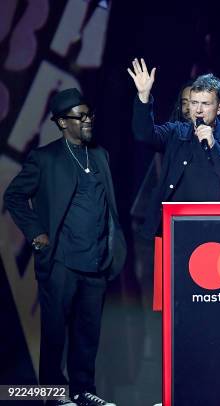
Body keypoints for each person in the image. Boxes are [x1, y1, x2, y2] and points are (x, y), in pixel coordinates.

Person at [4, 88, 126, 406]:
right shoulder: (45, 159)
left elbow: (108, 205)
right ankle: (54, 395)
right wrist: (37, 233)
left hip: (96, 261)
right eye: (79, 116)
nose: (87, 121)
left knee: (88, 333)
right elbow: (13, 196)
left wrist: (111, 246)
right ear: (61, 122)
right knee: (56, 333)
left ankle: (84, 391)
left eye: (89, 114)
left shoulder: (100, 155)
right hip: (61, 260)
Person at [127, 58, 220, 239]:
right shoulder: (176, 132)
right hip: (176, 230)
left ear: (219, 107)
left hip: (218, 231)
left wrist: (214, 146)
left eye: (205, 104)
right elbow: (144, 134)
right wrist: (143, 97)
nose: (198, 110)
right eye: (194, 103)